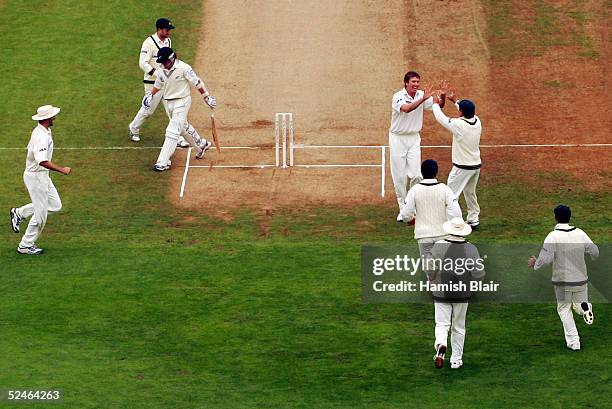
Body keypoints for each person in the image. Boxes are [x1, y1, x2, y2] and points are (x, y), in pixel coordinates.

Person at [528, 205, 599, 351]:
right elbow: (594, 250)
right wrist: (592, 258)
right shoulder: (580, 233)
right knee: (578, 303)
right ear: (569, 217)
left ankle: (574, 342)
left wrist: (535, 264)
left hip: (562, 281)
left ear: (556, 218)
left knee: (564, 309)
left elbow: (545, 258)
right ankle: (585, 307)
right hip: (581, 279)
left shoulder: (553, 236)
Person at [10, 105, 71, 255]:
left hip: (42, 176)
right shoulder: (41, 136)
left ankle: (20, 213)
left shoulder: (44, 131)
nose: (55, 118)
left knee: (55, 205)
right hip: (36, 177)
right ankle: (25, 245)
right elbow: (42, 161)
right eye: (53, 116)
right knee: (40, 216)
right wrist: (62, 169)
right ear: (47, 119)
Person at [424, 217, 485, 369]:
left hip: (441, 291)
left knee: (442, 324)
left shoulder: (439, 246)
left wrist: (431, 279)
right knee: (458, 326)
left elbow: (429, 267)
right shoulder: (471, 249)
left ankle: (441, 344)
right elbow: (479, 273)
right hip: (462, 292)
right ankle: (456, 360)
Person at [145, 47, 216, 171]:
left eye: (166, 62)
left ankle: (163, 161)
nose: (164, 65)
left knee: (172, 131)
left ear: (172, 58)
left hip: (182, 102)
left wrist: (207, 98)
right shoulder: (161, 70)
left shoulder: (184, 68)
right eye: (162, 62)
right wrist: (150, 95)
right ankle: (201, 145)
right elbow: (158, 84)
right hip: (169, 103)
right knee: (182, 128)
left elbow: (197, 83)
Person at [389, 71, 442, 222]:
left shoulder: (421, 95)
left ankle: (412, 207)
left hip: (413, 138)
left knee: (417, 175)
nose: (416, 85)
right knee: (399, 177)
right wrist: (423, 99)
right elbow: (406, 109)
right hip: (397, 138)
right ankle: (403, 209)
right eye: (413, 82)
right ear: (406, 83)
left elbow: (439, 105)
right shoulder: (397, 96)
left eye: (418, 82)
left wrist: (442, 96)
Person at [128, 17, 189, 148]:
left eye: (169, 30)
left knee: (172, 110)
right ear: (159, 29)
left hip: (167, 83)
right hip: (152, 83)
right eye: (167, 30)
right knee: (148, 110)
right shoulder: (148, 43)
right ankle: (133, 128)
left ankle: (178, 137)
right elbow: (142, 63)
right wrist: (158, 75)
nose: (169, 32)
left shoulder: (168, 41)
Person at [431, 85, 482, 228]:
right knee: (470, 193)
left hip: (462, 168)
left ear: (461, 112)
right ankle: (473, 218)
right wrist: (455, 101)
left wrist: (435, 104)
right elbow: (465, 110)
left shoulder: (459, 125)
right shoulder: (477, 121)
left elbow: (440, 118)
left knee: (451, 195)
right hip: (475, 166)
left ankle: (453, 222)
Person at [399, 159, 461, 256]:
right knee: (444, 266)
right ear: (436, 172)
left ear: (422, 172)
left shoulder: (414, 190)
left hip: (424, 236)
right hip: (443, 235)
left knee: (429, 269)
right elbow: (456, 213)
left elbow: (405, 214)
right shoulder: (445, 189)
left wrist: (411, 219)